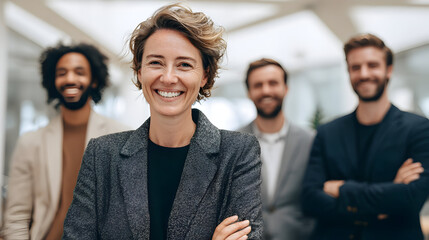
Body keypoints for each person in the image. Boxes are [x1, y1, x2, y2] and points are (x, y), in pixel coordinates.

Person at [63, 3, 263, 240]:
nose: (168, 77)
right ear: (139, 71)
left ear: (205, 75)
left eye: (184, 65)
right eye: (155, 62)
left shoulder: (238, 153)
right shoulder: (101, 155)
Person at [302, 33, 429, 240]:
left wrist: (341, 188)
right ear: (348, 72)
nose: (364, 74)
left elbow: (412, 198)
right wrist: (388, 197)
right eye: (355, 67)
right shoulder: (327, 132)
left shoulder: (420, 129)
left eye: (372, 65)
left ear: (388, 70)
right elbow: (310, 200)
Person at [3, 43, 130, 239]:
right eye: (62, 73)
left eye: (79, 72)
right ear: (53, 81)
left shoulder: (121, 137)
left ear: (94, 81)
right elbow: (16, 216)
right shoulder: (30, 142)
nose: (70, 79)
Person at [239, 58, 314, 240]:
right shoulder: (234, 143)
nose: (266, 90)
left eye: (273, 83)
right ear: (249, 92)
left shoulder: (311, 140)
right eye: (258, 85)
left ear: (286, 89)